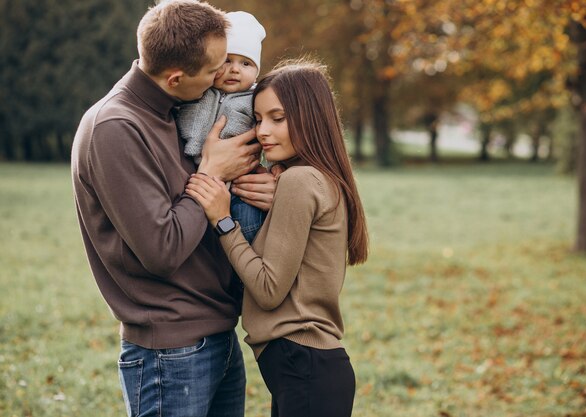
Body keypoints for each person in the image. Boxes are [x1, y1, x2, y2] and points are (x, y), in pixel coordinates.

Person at [70, 1, 277, 416]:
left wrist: (264, 189)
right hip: (171, 349)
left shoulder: (174, 110)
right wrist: (213, 172)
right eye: (214, 69)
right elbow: (162, 250)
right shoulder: (117, 128)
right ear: (176, 77)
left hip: (217, 329)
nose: (223, 76)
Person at [186, 59, 369, 417]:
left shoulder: (301, 182)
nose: (263, 131)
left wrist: (223, 221)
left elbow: (269, 290)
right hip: (308, 368)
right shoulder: (314, 178)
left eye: (278, 118)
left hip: (304, 366)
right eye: (257, 119)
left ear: (311, 117)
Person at [177, 10, 267, 243]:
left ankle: (247, 271)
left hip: (240, 186)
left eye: (245, 63)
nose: (235, 69)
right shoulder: (199, 91)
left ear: (256, 71)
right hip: (195, 176)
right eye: (227, 60)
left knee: (247, 225)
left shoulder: (257, 99)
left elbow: (273, 135)